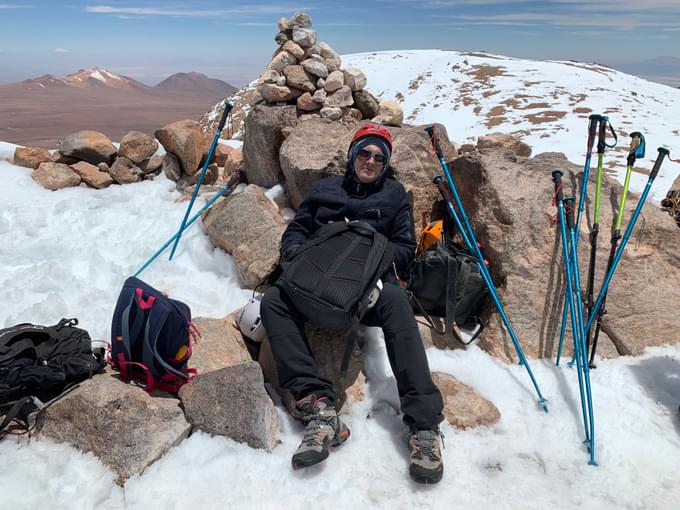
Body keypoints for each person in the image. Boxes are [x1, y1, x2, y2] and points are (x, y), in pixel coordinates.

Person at [260, 123, 445, 484]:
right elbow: (298, 228)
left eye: (379, 157)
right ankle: (319, 408)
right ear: (352, 155)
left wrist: (374, 268)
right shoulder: (326, 189)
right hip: (318, 280)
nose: (370, 161)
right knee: (275, 301)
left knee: (395, 302)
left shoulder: (393, 197)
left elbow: (406, 247)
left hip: (366, 290)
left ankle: (423, 426)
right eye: (364, 153)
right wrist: (296, 256)